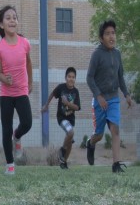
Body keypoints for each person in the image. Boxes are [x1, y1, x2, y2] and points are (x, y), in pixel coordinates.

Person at [86, 19, 132, 173]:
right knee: (98, 134)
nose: (111, 36)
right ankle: (90, 144)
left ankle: (116, 165)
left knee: (115, 130)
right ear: (101, 38)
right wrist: (98, 96)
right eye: (107, 34)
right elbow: (89, 78)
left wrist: (126, 94)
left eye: (113, 33)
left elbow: (120, 77)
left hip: (113, 99)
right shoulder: (97, 55)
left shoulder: (117, 54)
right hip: (100, 101)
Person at [0, 5, 33, 175]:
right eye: (8, 18)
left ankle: (17, 136)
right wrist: (5, 79)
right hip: (6, 94)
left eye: (14, 17)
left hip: (22, 91)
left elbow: (29, 63)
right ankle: (10, 165)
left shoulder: (25, 43)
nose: (12, 20)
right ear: (2, 24)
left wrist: (30, 82)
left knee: (27, 122)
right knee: (6, 129)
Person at [41, 67, 81, 169]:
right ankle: (62, 150)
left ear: (75, 79)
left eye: (73, 77)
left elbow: (77, 107)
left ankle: (63, 161)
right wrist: (46, 106)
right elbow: (52, 94)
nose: (71, 79)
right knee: (71, 133)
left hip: (71, 119)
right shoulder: (61, 88)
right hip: (62, 118)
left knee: (70, 142)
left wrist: (67, 103)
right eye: (69, 77)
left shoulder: (76, 92)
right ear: (65, 78)